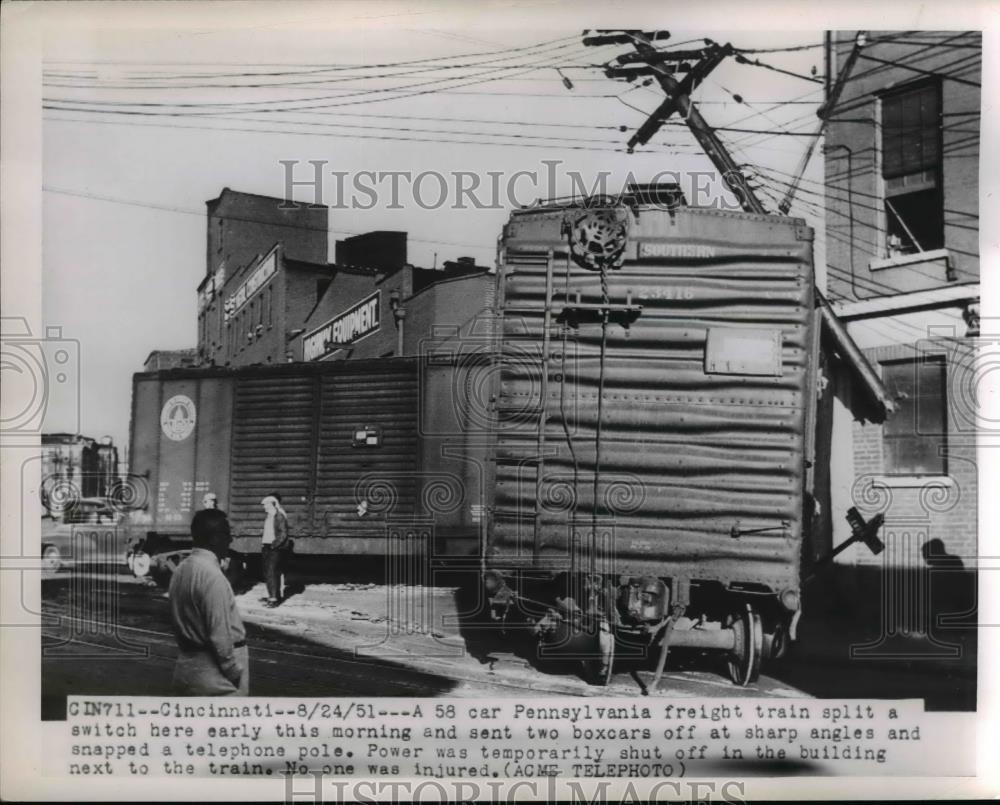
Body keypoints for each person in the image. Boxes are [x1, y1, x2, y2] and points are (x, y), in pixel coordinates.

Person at [169, 509, 249, 695]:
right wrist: (233, 671)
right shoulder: (213, 577)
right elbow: (219, 635)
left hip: (186, 666)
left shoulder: (180, 570)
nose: (230, 540)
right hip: (217, 677)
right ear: (214, 539)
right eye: (227, 534)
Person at [260, 493, 290, 608]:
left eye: (266, 505)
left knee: (272, 572)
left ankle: (274, 599)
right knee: (268, 572)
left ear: (272, 504)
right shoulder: (269, 516)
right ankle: (272, 595)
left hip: (275, 548)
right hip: (267, 546)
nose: (264, 507)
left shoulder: (278, 516)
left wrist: (274, 545)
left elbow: (283, 533)